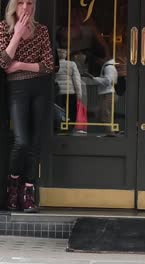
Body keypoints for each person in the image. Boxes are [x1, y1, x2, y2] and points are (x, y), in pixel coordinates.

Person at [0, 0, 54, 212]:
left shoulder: (41, 30)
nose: (25, 7)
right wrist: (17, 35)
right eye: (20, 2)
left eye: (29, 3)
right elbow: (3, 63)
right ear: (13, 6)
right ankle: (13, 186)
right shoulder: (3, 28)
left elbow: (48, 65)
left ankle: (27, 191)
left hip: (40, 89)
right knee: (22, 141)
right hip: (17, 90)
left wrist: (21, 65)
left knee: (35, 142)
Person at [55, 48, 82, 131]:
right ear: (66, 54)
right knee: (71, 112)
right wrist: (79, 94)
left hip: (58, 92)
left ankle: (59, 127)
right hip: (70, 92)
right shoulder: (72, 64)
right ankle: (69, 128)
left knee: (59, 112)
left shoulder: (54, 64)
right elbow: (76, 80)